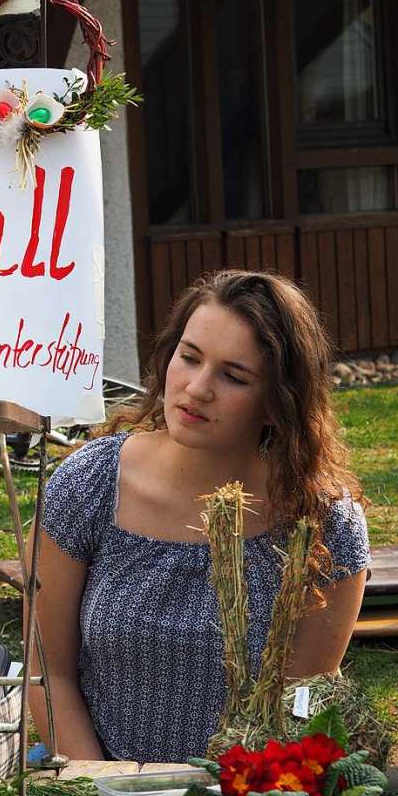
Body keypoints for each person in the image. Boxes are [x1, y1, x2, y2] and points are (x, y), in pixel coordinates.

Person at [29, 269, 369, 763]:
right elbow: (48, 670)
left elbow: (302, 705)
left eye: (234, 376)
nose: (197, 387)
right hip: (98, 794)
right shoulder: (90, 484)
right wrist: (110, 794)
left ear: (279, 402)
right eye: (189, 358)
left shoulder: (323, 521)